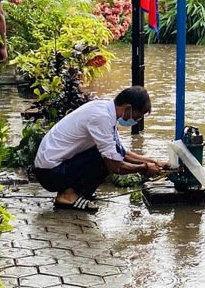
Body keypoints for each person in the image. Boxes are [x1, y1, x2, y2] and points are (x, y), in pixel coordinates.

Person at [34, 86, 172, 213]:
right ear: (128, 108)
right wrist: (144, 168)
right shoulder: (102, 118)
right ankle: (68, 197)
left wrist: (155, 162)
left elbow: (120, 151)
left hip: (53, 167)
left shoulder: (105, 109)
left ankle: (71, 192)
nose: (137, 120)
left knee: (109, 153)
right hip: (50, 174)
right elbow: (115, 167)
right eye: (138, 115)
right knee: (105, 158)